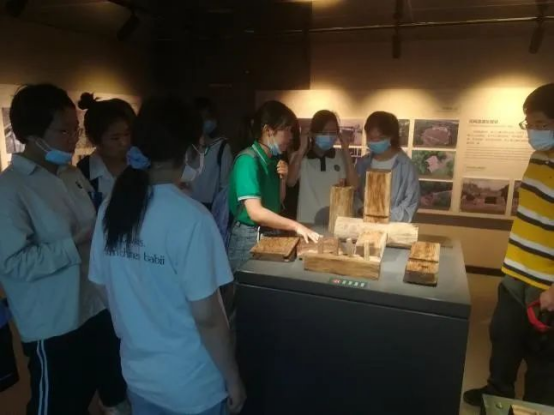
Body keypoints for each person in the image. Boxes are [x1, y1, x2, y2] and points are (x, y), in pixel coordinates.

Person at [88, 95, 246, 415]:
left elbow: (100, 284)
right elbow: (208, 317)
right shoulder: (192, 218)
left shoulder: (112, 206)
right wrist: (233, 378)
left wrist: (140, 321)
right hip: (192, 384)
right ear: (188, 150)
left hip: (139, 376)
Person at [0, 84, 129, 415]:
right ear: (32, 135)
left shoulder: (71, 174)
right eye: (64, 131)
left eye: (76, 129)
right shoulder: (10, 188)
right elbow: (13, 263)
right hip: (55, 324)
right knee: (58, 405)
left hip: (95, 307)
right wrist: (74, 244)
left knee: (116, 392)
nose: (73, 138)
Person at [464, 83, 554, 410]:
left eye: (541, 125)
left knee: (542, 359)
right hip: (516, 272)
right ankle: (497, 395)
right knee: (504, 340)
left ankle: (535, 409)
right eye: (529, 124)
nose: (533, 132)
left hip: (546, 283)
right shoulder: (538, 158)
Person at [227, 100, 320, 272]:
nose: (291, 137)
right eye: (287, 130)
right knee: (246, 286)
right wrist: (296, 226)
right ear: (268, 130)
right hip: (249, 237)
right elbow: (255, 212)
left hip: (268, 233)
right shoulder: (248, 160)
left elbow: (278, 201)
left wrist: (283, 180)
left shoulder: (273, 160)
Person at [287, 110, 358, 224]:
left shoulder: (341, 156)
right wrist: (301, 150)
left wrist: (346, 150)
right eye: (323, 132)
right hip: (306, 222)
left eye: (333, 132)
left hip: (334, 221)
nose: (328, 136)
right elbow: (290, 182)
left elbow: (354, 185)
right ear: (312, 134)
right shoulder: (300, 157)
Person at [355, 111, 419, 222]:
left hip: (393, 225)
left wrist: (385, 216)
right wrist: (361, 209)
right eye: (371, 138)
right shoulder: (363, 163)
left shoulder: (405, 165)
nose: (375, 142)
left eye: (380, 138)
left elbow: (411, 201)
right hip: (364, 222)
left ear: (391, 136)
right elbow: (354, 193)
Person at [77, 92, 136, 210]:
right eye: (115, 138)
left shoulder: (141, 164)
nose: (124, 142)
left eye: (127, 134)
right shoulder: (83, 172)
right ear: (93, 139)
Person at [188, 97, 233, 210]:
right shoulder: (188, 147)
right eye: (202, 118)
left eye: (208, 117)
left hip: (211, 208)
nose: (206, 121)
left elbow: (225, 186)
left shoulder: (222, 147)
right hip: (188, 204)